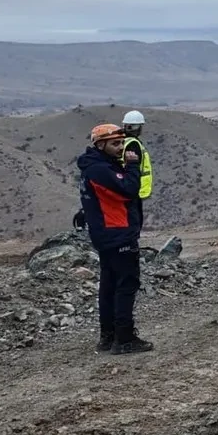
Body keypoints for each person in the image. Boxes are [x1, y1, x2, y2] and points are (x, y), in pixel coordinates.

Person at [77, 123, 152, 354]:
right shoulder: (100, 170)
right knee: (126, 286)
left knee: (109, 287)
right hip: (117, 234)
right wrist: (132, 166)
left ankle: (108, 337)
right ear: (101, 145)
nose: (121, 147)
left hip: (106, 235)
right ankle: (125, 338)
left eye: (121, 142)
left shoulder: (96, 166)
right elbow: (129, 189)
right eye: (115, 143)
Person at [120, 110, 153, 206]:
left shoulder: (123, 141)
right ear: (137, 127)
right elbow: (133, 168)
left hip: (128, 188)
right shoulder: (133, 144)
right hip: (135, 189)